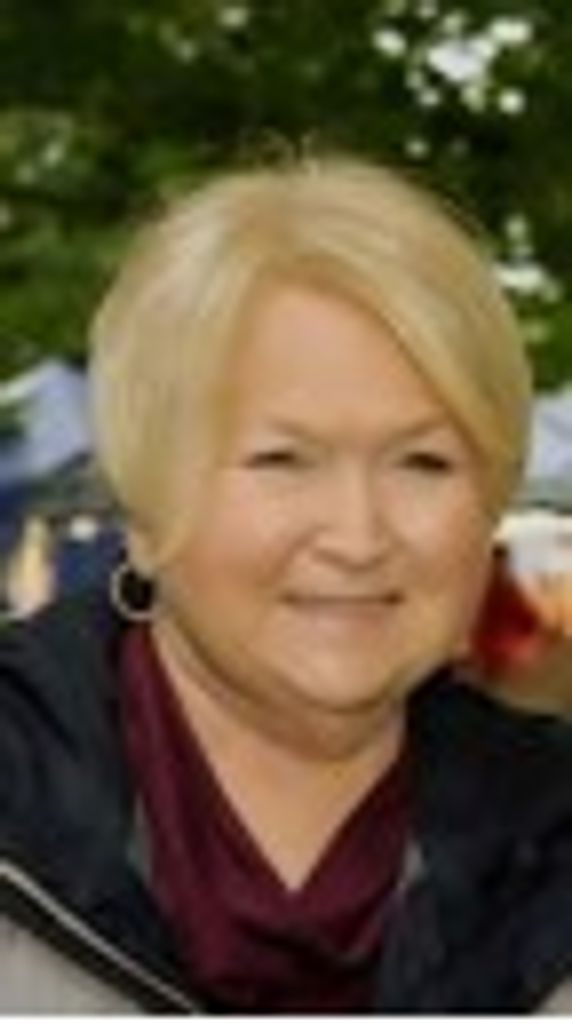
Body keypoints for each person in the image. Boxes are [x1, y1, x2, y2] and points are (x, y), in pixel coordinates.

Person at [2, 153, 572, 1014]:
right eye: (282, 459)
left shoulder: (550, 840)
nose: (359, 536)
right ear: (146, 510)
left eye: (423, 461)